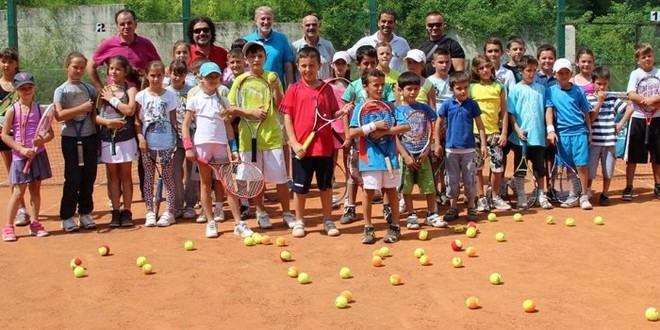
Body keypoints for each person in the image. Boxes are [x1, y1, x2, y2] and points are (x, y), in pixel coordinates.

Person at [283, 47, 349, 237]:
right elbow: (288, 118)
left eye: (312, 65)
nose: (308, 69)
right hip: (301, 149)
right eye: (303, 66)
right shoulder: (293, 90)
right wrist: (294, 143)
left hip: (324, 148)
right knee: (300, 187)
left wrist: (342, 112)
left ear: (319, 66)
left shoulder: (327, 89)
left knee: (325, 186)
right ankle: (300, 221)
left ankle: (327, 219)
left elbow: (332, 114)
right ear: (297, 66)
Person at [228, 41, 292, 230]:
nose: (256, 59)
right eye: (252, 56)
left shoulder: (272, 77)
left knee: (281, 178)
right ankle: (261, 212)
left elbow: (281, 105)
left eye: (260, 56)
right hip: (248, 140)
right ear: (246, 60)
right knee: (255, 179)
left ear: (265, 58)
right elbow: (230, 108)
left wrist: (275, 88)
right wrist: (250, 113)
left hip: (271, 137)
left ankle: (287, 213)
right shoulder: (239, 81)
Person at [182, 62, 247, 238]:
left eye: (216, 76)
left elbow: (228, 128)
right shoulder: (194, 99)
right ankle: (210, 222)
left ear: (220, 78)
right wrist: (188, 147)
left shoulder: (223, 100)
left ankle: (238, 223)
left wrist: (233, 148)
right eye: (209, 77)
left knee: (229, 185)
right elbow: (186, 125)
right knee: (205, 184)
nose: (212, 80)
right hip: (202, 146)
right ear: (201, 79)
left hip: (220, 147)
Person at [348, 68, 409, 244]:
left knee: (391, 192)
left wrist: (386, 132)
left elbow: (405, 126)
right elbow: (352, 133)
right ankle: (368, 228)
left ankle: (395, 227)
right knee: (368, 193)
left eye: (382, 85)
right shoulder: (360, 108)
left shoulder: (390, 107)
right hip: (369, 159)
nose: (380, 88)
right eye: (376, 85)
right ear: (365, 87)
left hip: (390, 157)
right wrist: (374, 126)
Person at [339, 45, 396, 225]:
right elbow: (345, 113)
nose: (370, 66)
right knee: (353, 173)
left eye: (373, 63)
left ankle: (387, 207)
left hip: (381, 141)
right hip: (358, 140)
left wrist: (383, 131)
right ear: (358, 64)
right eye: (366, 63)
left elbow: (390, 109)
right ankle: (350, 206)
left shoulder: (383, 86)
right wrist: (348, 136)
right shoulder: (354, 86)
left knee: (386, 176)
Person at [1, 72, 52, 241]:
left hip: (38, 154)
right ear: (17, 90)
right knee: (18, 192)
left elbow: (49, 133)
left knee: (35, 190)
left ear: (34, 88)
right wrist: (20, 149)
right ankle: (8, 227)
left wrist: (41, 140)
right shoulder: (12, 111)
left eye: (29, 87)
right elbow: (5, 136)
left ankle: (35, 223)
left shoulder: (40, 109)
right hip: (20, 157)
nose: (26, 90)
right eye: (22, 88)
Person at [54, 52, 99, 232]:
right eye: (75, 67)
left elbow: (95, 115)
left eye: (82, 67)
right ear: (67, 67)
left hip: (89, 137)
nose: (79, 70)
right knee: (72, 178)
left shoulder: (90, 89)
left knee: (88, 177)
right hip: (70, 139)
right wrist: (82, 108)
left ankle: (85, 214)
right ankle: (67, 217)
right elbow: (59, 115)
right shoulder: (61, 90)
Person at [395, 72, 446, 229]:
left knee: (429, 186)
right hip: (406, 157)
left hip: (423, 155)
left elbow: (435, 123)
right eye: (409, 89)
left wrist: (428, 149)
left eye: (416, 89)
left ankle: (431, 214)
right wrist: (405, 156)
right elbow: (394, 136)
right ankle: (411, 215)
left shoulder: (424, 108)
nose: (412, 92)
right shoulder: (396, 110)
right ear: (400, 90)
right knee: (406, 187)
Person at [435, 71, 487, 222]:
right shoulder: (447, 104)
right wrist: (437, 142)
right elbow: (438, 122)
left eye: (466, 87)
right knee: (452, 179)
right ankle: (453, 208)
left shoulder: (472, 104)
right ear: (452, 89)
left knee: (470, 179)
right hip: (451, 149)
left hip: (469, 149)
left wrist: (483, 144)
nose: (463, 91)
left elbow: (480, 125)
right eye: (459, 88)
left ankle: (471, 207)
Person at [94, 55, 139, 227]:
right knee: (112, 177)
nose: (114, 71)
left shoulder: (131, 90)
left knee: (126, 176)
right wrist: (108, 123)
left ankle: (127, 212)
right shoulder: (102, 91)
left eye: (118, 69)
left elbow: (129, 110)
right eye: (111, 68)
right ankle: (115, 212)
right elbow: (95, 117)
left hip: (126, 139)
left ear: (125, 71)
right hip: (107, 140)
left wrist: (112, 99)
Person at [135, 61, 180, 227]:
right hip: (147, 144)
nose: (155, 79)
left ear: (164, 76)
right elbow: (137, 122)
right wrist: (141, 139)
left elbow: (174, 121)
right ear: (147, 75)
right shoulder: (141, 96)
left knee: (168, 178)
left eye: (159, 75)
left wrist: (175, 142)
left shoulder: (169, 96)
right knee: (148, 177)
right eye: (152, 75)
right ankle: (150, 211)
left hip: (167, 143)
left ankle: (169, 212)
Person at [545, 58, 593, 209]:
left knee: (582, 165)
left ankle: (584, 195)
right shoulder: (550, 91)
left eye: (567, 72)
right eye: (561, 73)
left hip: (579, 131)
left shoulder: (579, 90)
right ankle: (573, 195)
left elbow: (586, 112)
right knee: (569, 166)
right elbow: (549, 111)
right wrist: (551, 130)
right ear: (555, 74)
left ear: (571, 73)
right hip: (562, 134)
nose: (564, 75)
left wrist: (589, 131)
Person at [507, 55, 553, 210]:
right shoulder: (515, 89)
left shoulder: (542, 89)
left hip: (538, 137)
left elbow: (548, 111)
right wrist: (518, 129)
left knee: (540, 169)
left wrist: (548, 130)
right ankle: (521, 195)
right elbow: (511, 113)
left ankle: (541, 194)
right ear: (520, 71)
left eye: (534, 70)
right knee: (520, 169)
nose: (532, 73)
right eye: (528, 71)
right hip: (520, 138)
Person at [469, 54, 511, 212]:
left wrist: (504, 133)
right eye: (481, 68)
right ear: (476, 70)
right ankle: (480, 198)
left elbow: (504, 112)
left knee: (497, 167)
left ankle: (494, 196)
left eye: (487, 66)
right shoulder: (472, 87)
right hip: (475, 134)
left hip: (494, 133)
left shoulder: (499, 87)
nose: (485, 70)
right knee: (477, 167)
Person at [587, 66, 633, 205]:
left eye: (604, 84)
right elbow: (591, 118)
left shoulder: (612, 99)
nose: (601, 87)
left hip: (610, 142)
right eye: (598, 84)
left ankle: (605, 193)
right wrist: (600, 102)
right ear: (593, 83)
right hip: (594, 142)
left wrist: (620, 125)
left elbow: (630, 108)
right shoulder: (588, 99)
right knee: (591, 170)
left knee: (608, 170)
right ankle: (588, 190)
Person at [87, 9, 161, 90]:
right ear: (117, 27)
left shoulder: (146, 44)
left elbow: (159, 66)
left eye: (129, 23)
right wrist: (100, 88)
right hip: (116, 96)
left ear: (135, 24)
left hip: (141, 95)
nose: (126, 26)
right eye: (122, 24)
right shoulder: (108, 44)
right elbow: (90, 66)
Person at [623, 43, 660, 200]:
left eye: (649, 56)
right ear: (638, 60)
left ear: (654, 57)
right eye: (643, 57)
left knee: (658, 156)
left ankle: (658, 186)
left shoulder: (659, 72)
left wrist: (653, 100)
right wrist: (646, 101)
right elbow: (631, 94)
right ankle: (629, 186)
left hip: (658, 119)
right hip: (638, 118)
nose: (647, 59)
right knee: (633, 157)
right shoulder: (635, 74)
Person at [0, 47, 30, 226]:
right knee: (13, 171)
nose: (6, 65)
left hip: (22, 135)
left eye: (10, 62)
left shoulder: (22, 83)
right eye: (3, 61)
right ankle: (21, 209)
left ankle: (30, 209)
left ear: (16, 64)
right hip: (4, 136)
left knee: (27, 173)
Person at [165, 59, 196, 220]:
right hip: (173, 138)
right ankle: (177, 205)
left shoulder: (192, 91)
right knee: (174, 172)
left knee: (192, 173)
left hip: (192, 136)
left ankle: (190, 205)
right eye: (174, 74)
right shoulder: (166, 92)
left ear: (186, 75)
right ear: (169, 73)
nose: (177, 78)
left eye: (181, 74)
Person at [243, 6, 295, 88]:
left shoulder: (282, 39)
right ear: (255, 21)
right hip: (253, 88)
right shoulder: (246, 41)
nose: (266, 22)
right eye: (263, 19)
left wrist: (290, 87)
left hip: (276, 89)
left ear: (273, 21)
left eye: (269, 19)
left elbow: (288, 66)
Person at [418, 11, 466, 77]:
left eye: (438, 24)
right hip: (426, 86)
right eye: (431, 25)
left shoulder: (453, 45)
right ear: (426, 26)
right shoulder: (422, 47)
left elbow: (459, 73)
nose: (434, 27)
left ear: (444, 25)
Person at [291, 15, 336, 81]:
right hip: (303, 90)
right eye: (308, 25)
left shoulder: (328, 45)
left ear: (319, 26)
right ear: (302, 27)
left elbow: (334, 68)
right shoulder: (294, 47)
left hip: (324, 88)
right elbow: (291, 71)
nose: (311, 27)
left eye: (314, 24)